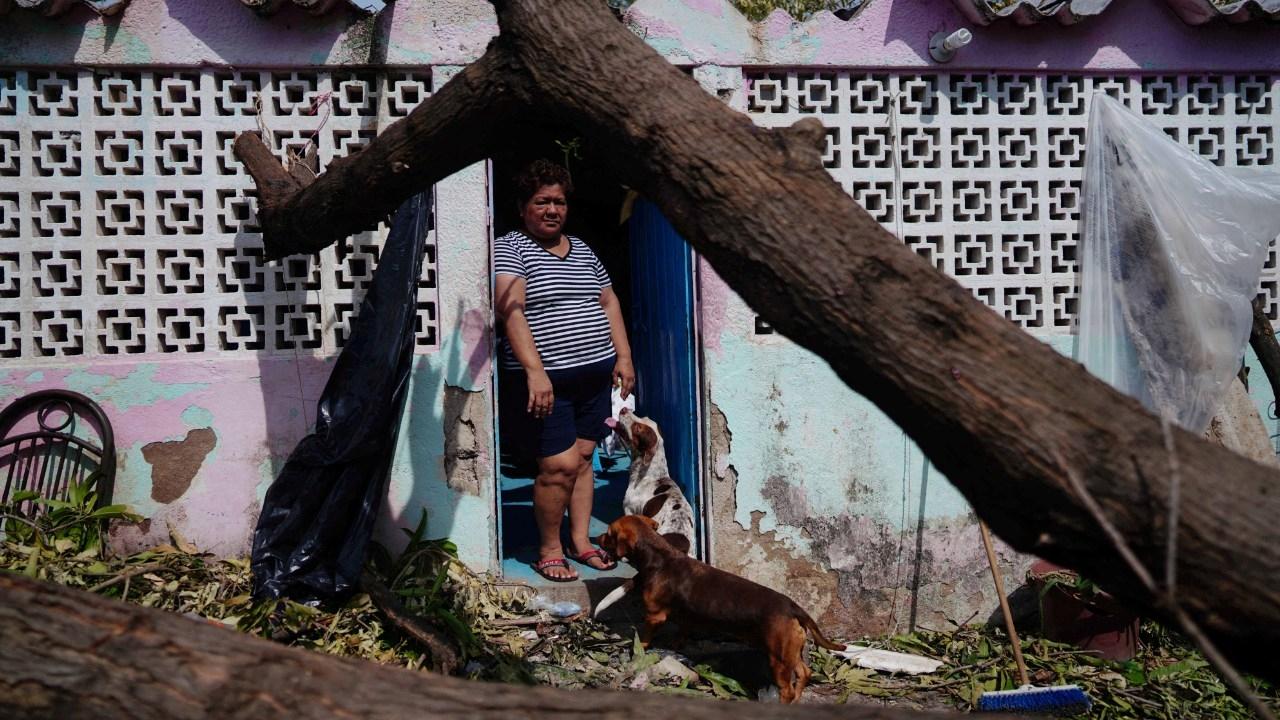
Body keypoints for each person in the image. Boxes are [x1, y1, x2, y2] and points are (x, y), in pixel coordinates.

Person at [495, 159, 635, 582]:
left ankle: (581, 542)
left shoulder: (584, 248)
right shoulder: (511, 248)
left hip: (594, 374)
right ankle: (549, 549)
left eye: (558, 201)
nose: (552, 209)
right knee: (557, 465)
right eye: (542, 201)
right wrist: (535, 371)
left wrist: (624, 357)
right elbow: (511, 310)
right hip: (546, 382)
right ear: (523, 207)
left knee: (584, 459)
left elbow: (608, 302)